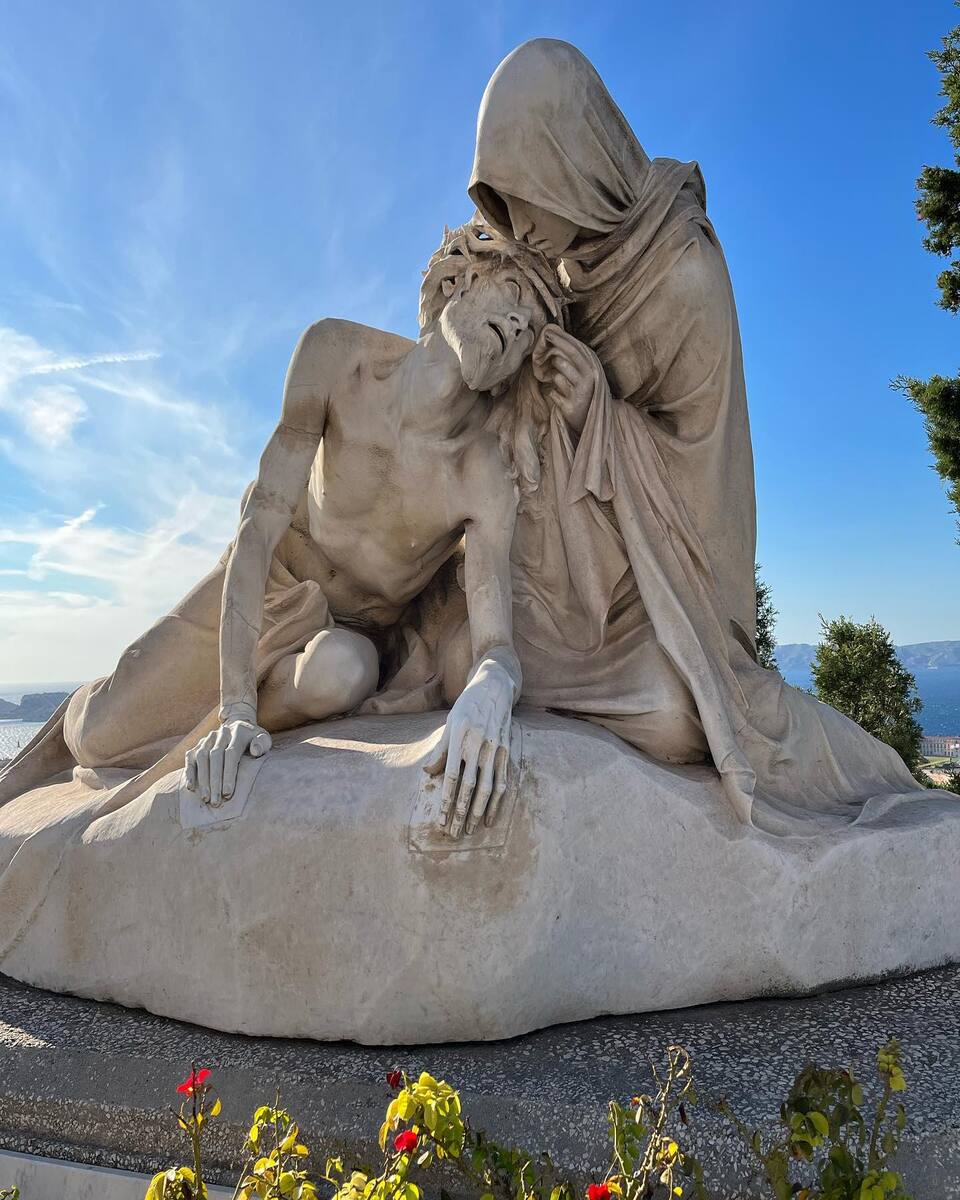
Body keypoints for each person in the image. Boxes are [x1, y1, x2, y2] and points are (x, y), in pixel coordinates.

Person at [467, 39, 927, 831]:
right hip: (559, 560)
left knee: (691, 713)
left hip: (663, 587)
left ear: (568, 164)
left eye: (525, 197)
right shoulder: (559, 263)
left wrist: (597, 415)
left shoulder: (683, 273)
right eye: (501, 204)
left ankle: (875, 776)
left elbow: (703, 472)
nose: (520, 226)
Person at [0, 225, 570, 838]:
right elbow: (257, 530)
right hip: (263, 588)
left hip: (349, 638)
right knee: (99, 735)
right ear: (456, 281)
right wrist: (236, 705)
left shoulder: (485, 472)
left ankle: (236, 726)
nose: (517, 323)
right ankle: (94, 711)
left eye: (532, 327)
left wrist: (492, 685)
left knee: (344, 675)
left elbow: (496, 642)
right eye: (511, 291)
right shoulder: (336, 356)